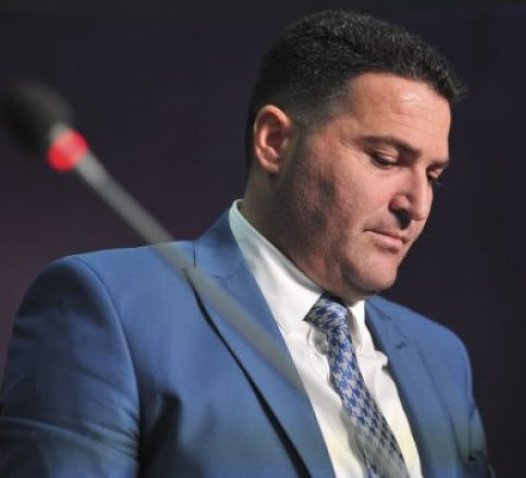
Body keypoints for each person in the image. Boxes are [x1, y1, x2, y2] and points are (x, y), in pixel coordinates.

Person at [0, 10, 491, 477]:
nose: (416, 204)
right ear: (274, 142)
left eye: (433, 176)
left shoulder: (441, 358)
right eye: (384, 158)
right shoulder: (110, 311)